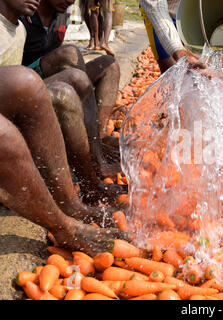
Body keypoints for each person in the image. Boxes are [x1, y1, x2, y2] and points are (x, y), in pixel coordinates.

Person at [0, 0, 128, 255]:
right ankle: (65, 223)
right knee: (34, 86)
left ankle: (79, 193)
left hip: (16, 108)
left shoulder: (21, 29)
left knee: (66, 87)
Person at [19, 0, 125, 203]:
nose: (69, 1)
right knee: (71, 60)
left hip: (48, 79)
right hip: (21, 85)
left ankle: (97, 140)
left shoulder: (62, 15)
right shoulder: (23, 9)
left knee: (109, 65)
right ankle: (95, 161)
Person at [139, 0, 206, 73]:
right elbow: (156, 9)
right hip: (158, 12)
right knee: (171, 70)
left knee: (202, 64)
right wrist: (178, 50)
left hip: (193, 9)